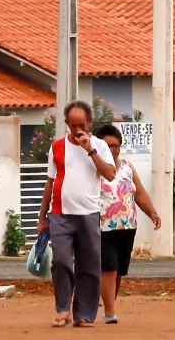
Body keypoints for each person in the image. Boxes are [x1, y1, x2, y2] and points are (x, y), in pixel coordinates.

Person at [37, 100, 116, 328]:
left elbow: (110, 174)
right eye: (73, 125)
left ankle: (84, 314)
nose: (78, 129)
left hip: (89, 213)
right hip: (60, 213)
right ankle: (63, 309)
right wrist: (43, 218)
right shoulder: (57, 147)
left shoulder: (100, 146)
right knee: (60, 260)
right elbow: (49, 183)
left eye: (82, 124)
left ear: (90, 122)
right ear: (66, 124)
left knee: (89, 264)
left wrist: (89, 149)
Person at [94, 122, 160, 324]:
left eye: (116, 145)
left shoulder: (128, 168)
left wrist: (152, 212)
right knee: (109, 268)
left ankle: (108, 306)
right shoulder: (93, 168)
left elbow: (139, 192)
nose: (112, 150)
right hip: (103, 227)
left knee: (119, 271)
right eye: (107, 145)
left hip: (127, 227)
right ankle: (110, 312)